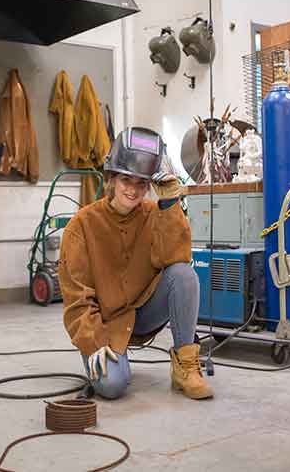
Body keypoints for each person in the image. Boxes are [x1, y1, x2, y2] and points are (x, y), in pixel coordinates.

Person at [58, 127, 213, 400]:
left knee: (184, 274)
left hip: (143, 313)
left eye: (142, 183)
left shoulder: (155, 214)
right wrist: (93, 340)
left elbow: (176, 259)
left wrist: (169, 206)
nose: (133, 190)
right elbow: (76, 297)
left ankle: (185, 367)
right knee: (112, 386)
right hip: (104, 325)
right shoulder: (81, 226)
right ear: (112, 179)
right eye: (126, 180)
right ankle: (111, 357)